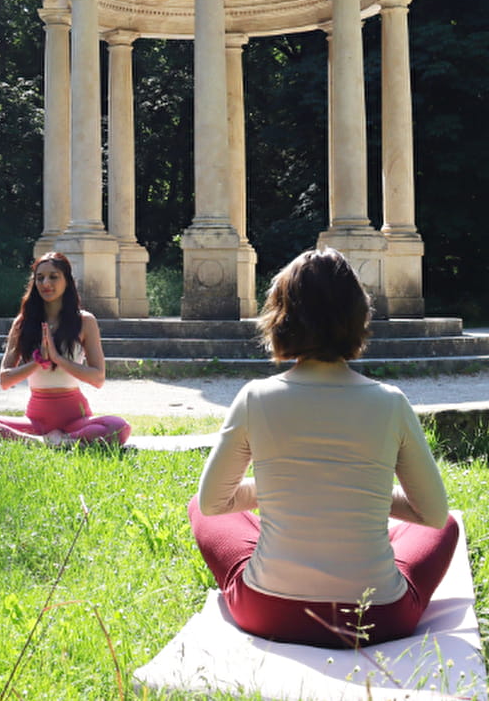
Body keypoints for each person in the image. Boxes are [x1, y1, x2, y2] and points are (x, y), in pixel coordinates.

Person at [189, 248, 459, 647]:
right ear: (358, 317)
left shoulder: (255, 397)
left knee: (200, 507)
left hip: (268, 611)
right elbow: (433, 514)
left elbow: (214, 504)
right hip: (376, 618)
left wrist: (294, 488)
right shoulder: (390, 402)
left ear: (279, 318)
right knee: (449, 525)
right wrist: (353, 489)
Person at [0, 252, 130, 447]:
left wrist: (58, 358)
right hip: (36, 420)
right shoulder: (22, 323)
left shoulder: (85, 321)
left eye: (53, 276)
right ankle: (43, 442)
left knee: (119, 427)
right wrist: (37, 362)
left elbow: (98, 378)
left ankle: (63, 440)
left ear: (67, 281)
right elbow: (5, 380)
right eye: (40, 278)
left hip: (76, 420)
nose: (45, 283)